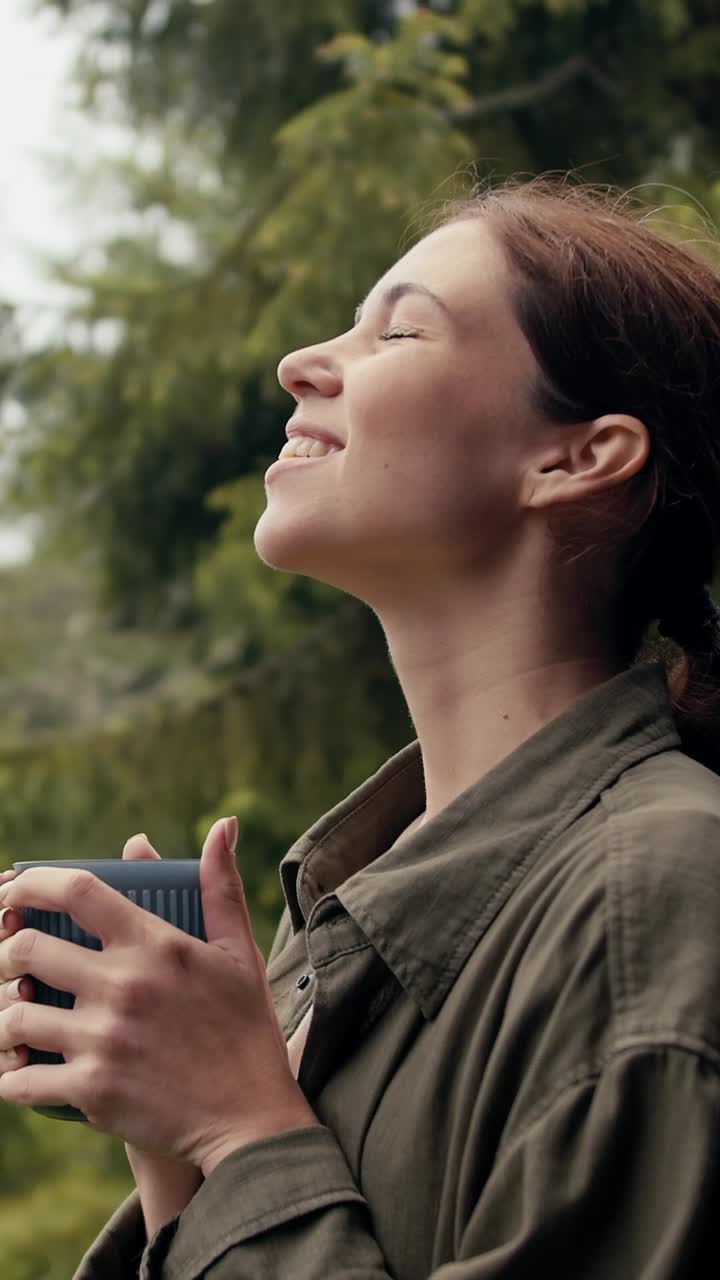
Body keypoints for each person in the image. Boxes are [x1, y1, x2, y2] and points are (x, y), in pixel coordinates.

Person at [1, 175, 720, 1278]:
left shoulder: (657, 899)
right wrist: (174, 1135)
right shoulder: (347, 926)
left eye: (400, 330)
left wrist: (238, 1130)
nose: (301, 362)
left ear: (578, 457)